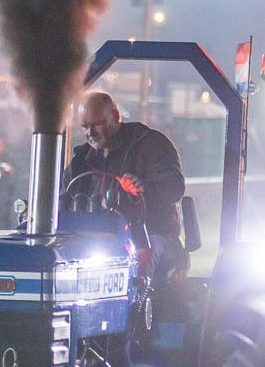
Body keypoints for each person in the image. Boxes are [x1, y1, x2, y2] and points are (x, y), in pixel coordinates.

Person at [67, 90, 187, 273]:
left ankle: (138, 298)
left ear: (115, 115)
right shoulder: (82, 159)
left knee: (141, 255)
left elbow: (174, 188)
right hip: (99, 237)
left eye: (96, 124)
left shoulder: (151, 144)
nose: (90, 132)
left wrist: (142, 187)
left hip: (151, 234)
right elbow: (64, 194)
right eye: (84, 126)